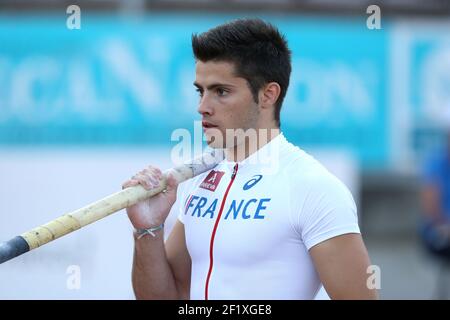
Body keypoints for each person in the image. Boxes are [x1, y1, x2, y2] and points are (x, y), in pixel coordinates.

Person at [122, 18, 377, 300]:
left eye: (221, 91)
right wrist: (148, 230)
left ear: (268, 94)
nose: (202, 107)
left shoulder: (314, 188)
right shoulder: (199, 179)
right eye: (200, 90)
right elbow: (165, 297)